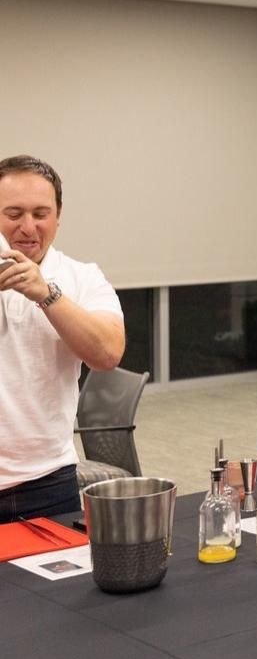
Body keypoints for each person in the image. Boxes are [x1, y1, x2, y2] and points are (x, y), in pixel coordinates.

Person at [0, 155, 125, 522]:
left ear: (58, 215)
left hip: (48, 481)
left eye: (41, 214)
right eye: (13, 214)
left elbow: (108, 353)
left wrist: (47, 295)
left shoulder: (82, 277)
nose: (28, 227)